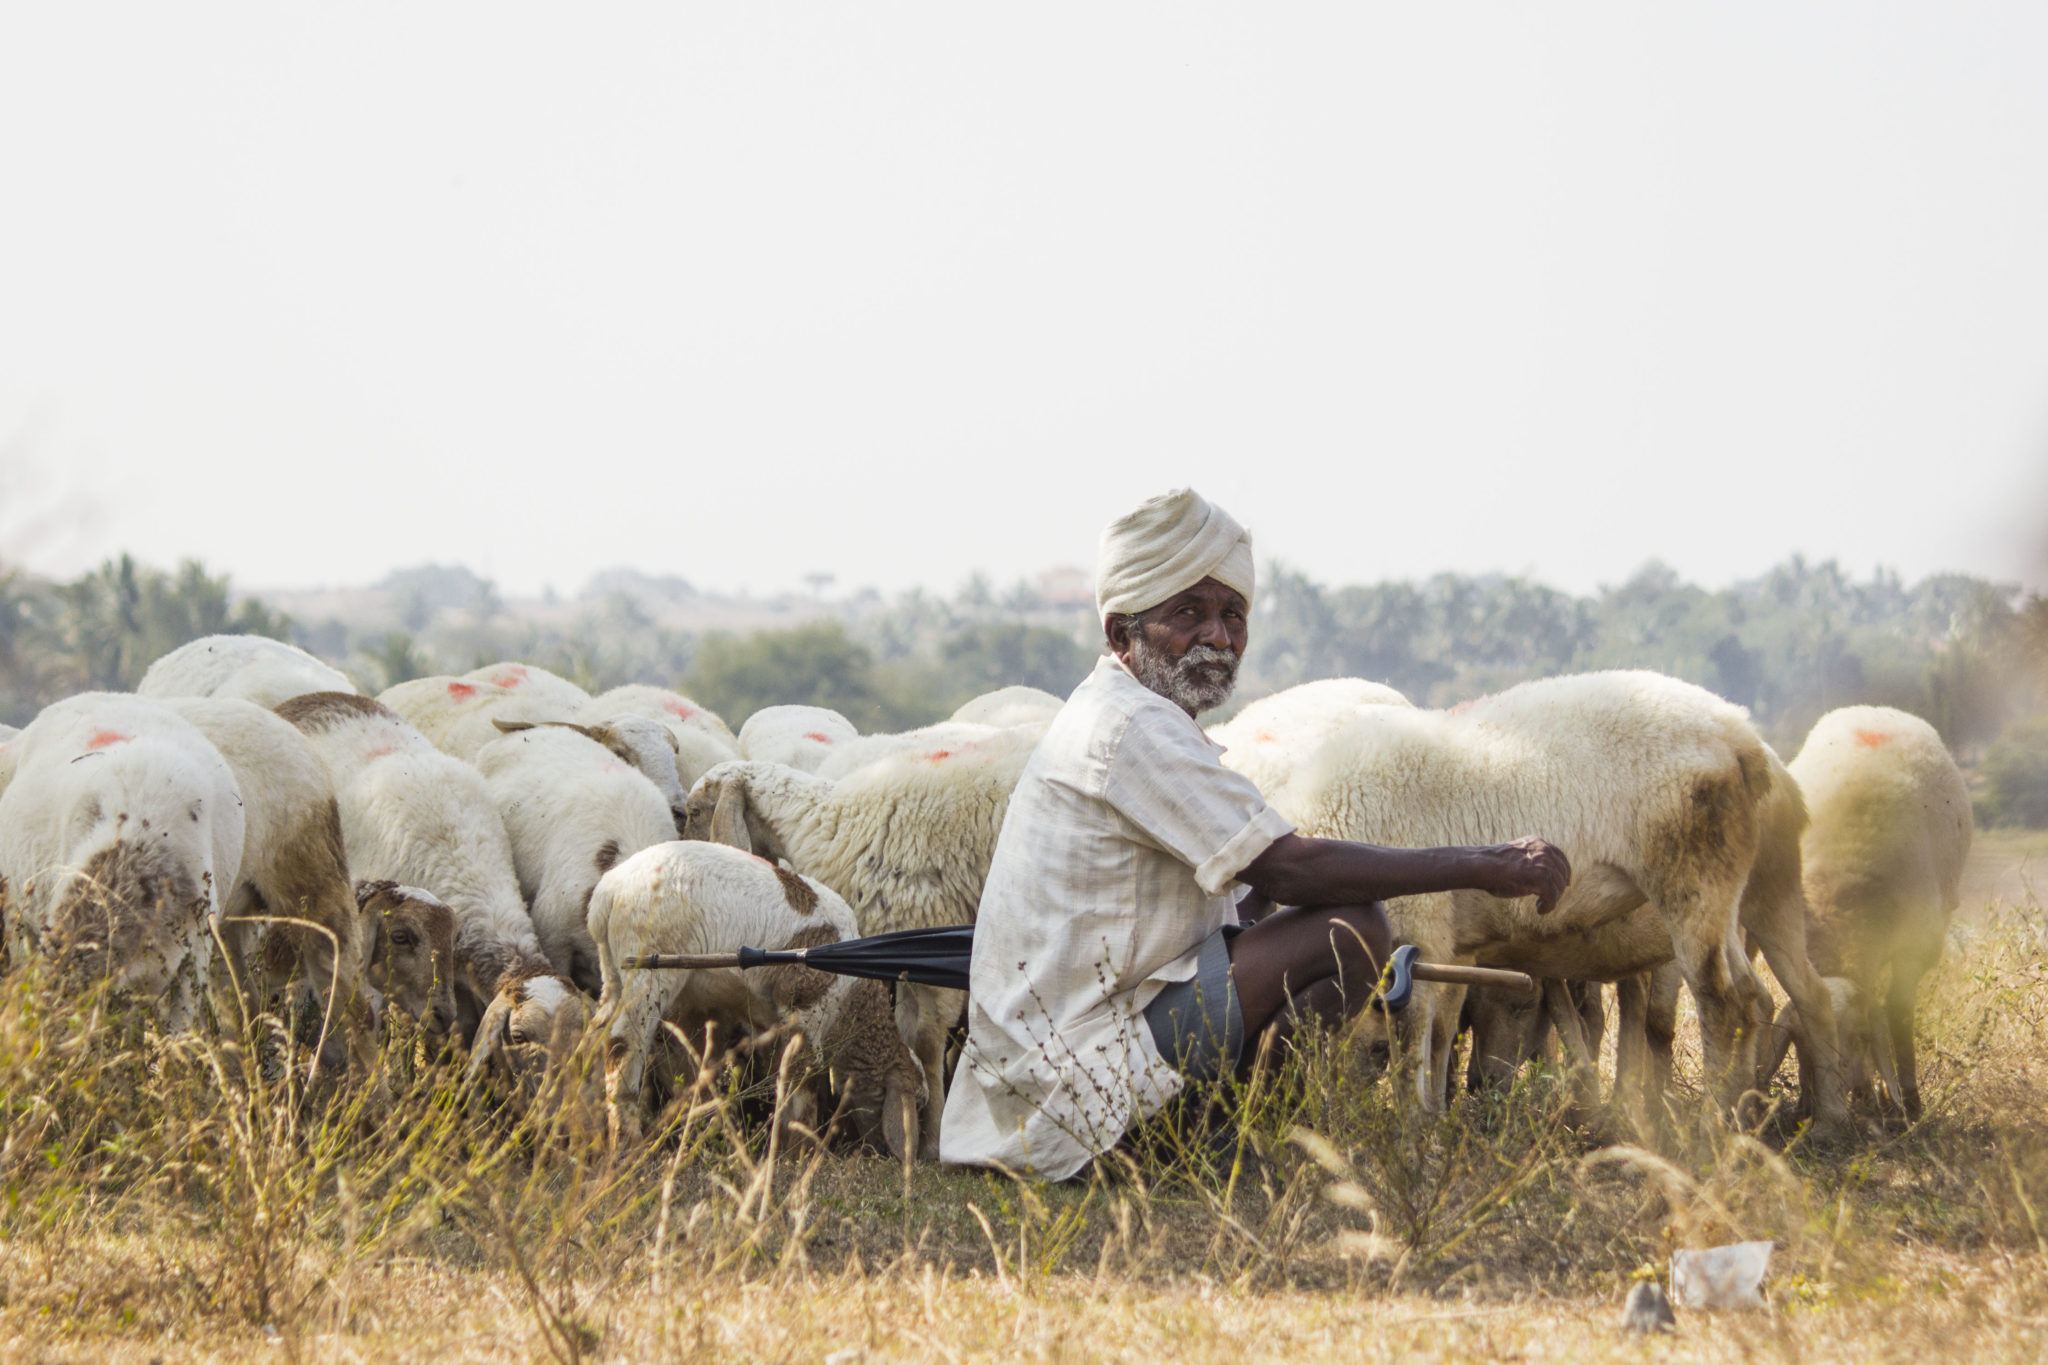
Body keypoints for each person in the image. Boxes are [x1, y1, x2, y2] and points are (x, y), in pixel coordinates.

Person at [938, 488, 1570, 1180]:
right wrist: (1482, 863)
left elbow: (1241, 887)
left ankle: (1208, 1135)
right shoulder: (1130, 728)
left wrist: (1263, 906)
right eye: (1189, 613)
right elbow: (1286, 869)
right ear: (1122, 634)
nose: (1218, 636)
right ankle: (1229, 1142)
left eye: (1232, 614)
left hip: (1056, 1061)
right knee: (1350, 928)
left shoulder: (1132, 717)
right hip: (1074, 1072)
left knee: (1295, 917)